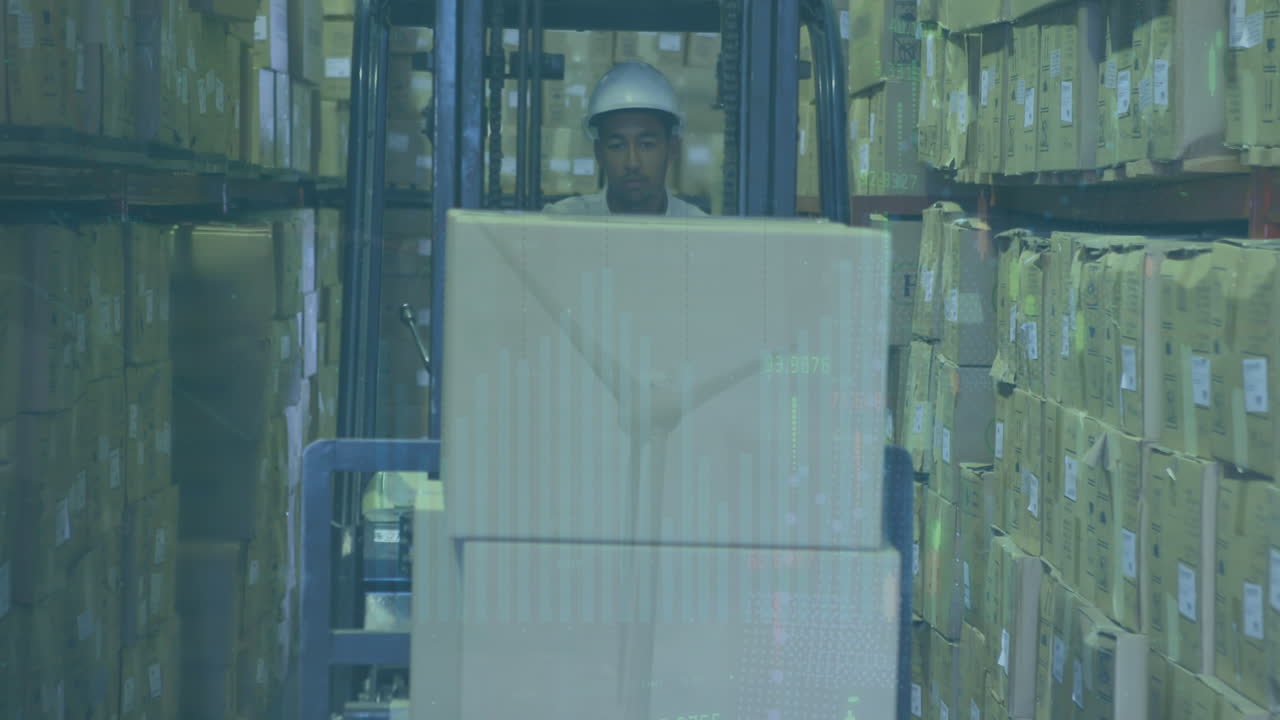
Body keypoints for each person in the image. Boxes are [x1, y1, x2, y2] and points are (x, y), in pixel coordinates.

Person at [543, 62, 707, 217]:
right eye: (617, 146)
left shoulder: (698, 230)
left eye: (646, 145)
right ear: (599, 153)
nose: (632, 163)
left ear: (672, 148)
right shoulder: (565, 222)